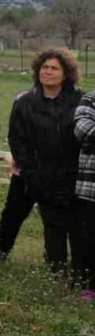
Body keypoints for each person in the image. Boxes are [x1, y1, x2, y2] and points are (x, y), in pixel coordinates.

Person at [7, 49, 84, 279]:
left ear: (65, 74)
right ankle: (57, 276)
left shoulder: (79, 100)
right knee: (53, 227)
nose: (48, 72)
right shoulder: (25, 103)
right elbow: (17, 139)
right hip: (41, 175)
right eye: (44, 67)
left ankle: (82, 276)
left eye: (54, 68)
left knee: (79, 228)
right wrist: (32, 173)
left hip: (75, 176)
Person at [72, 91, 95, 300]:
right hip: (90, 188)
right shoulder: (91, 99)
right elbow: (83, 129)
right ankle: (87, 286)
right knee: (88, 241)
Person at [0, 152, 37, 257]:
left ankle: (57, 264)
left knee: (55, 220)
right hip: (23, 171)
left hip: (54, 170)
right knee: (12, 216)